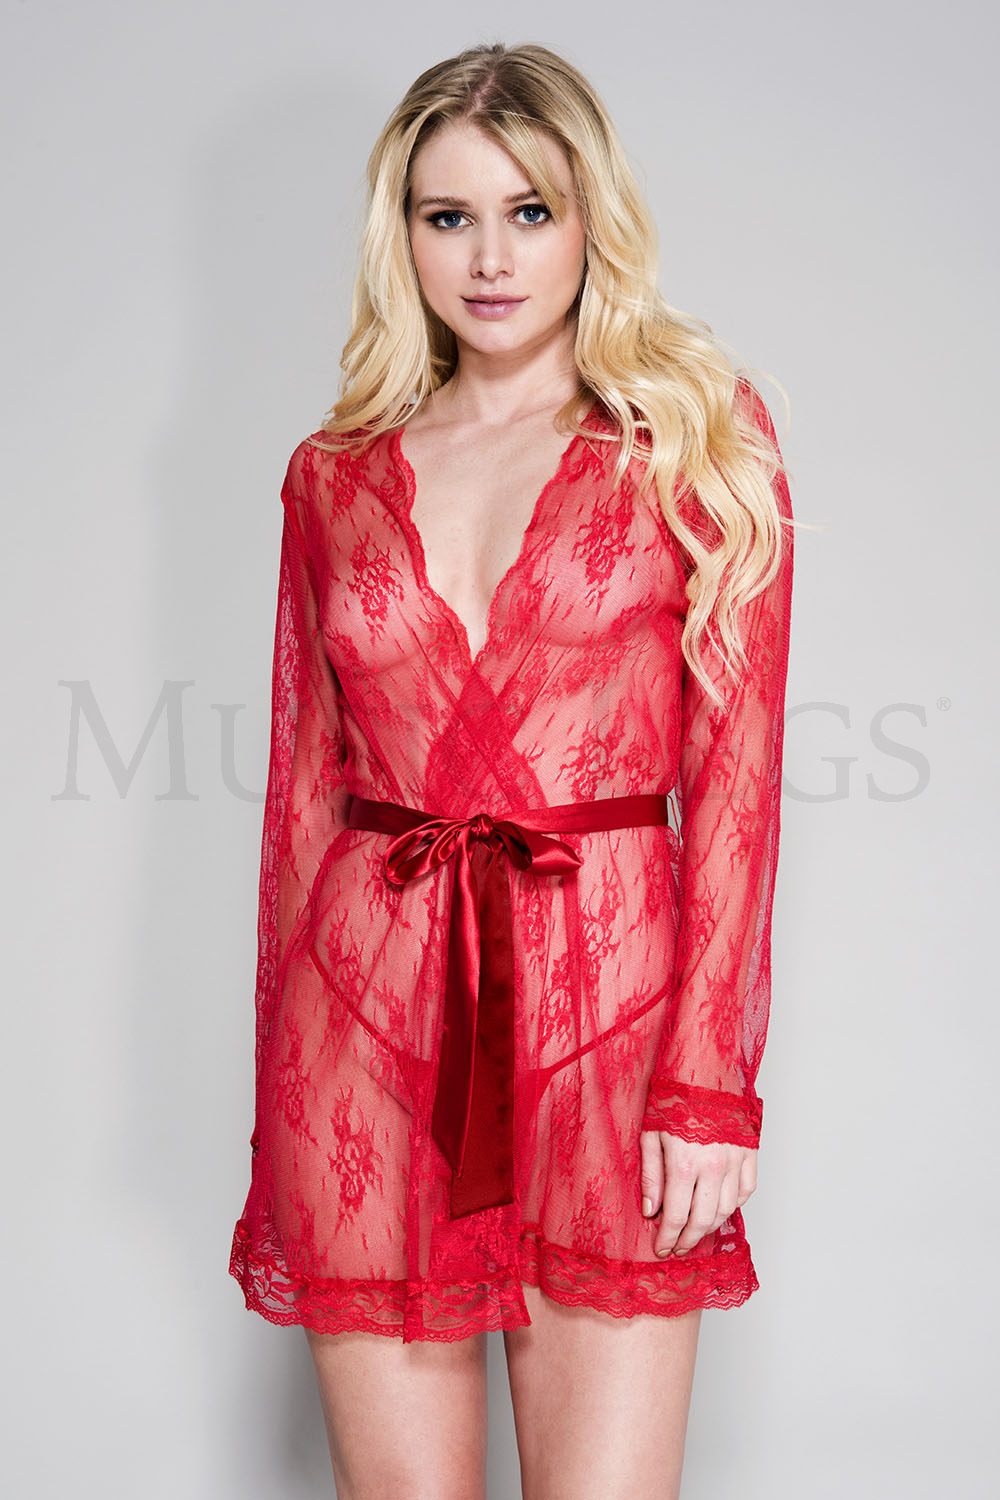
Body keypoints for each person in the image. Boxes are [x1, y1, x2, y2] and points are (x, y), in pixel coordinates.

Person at [229, 39, 795, 1500]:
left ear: (591, 218)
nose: (489, 258)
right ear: (402, 234)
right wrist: (279, 1096)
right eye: (449, 216)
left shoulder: (691, 441)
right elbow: (302, 803)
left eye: (528, 211)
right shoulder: (333, 476)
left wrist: (710, 1087)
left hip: (612, 1030)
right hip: (364, 1033)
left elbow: (737, 780)